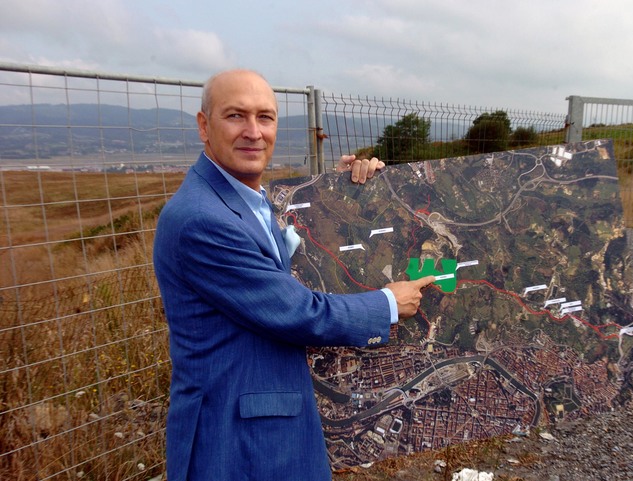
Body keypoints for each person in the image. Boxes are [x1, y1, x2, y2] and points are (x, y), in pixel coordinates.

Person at [152, 69, 435, 481]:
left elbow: (285, 259)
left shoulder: (243, 196)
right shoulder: (200, 219)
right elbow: (298, 311)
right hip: (235, 443)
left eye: (265, 118)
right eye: (235, 116)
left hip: (271, 428)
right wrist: (389, 304)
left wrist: (339, 192)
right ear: (203, 126)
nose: (253, 131)